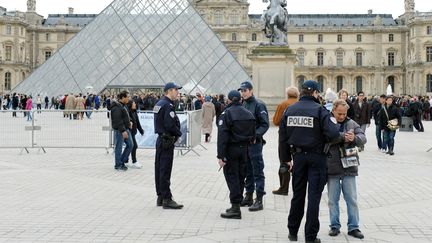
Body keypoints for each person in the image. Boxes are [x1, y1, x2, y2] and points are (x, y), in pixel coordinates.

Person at [279, 80, 341, 243]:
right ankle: (310, 236)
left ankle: (292, 231)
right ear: (314, 93)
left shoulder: (289, 110)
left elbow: (282, 137)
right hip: (317, 157)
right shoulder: (319, 110)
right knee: (314, 198)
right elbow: (334, 134)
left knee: (297, 195)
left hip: (297, 158)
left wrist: (285, 159)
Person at [327, 99, 366, 240]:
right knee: (332, 200)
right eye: (339, 114)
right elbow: (327, 138)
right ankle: (334, 226)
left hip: (349, 166)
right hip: (332, 166)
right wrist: (344, 137)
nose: (342, 116)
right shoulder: (328, 122)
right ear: (333, 111)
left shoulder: (352, 123)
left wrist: (355, 138)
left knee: (352, 199)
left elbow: (363, 138)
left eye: (344, 114)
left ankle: (353, 227)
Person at [217, 90, 256, 219]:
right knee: (240, 177)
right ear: (240, 100)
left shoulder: (226, 113)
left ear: (228, 100)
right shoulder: (249, 113)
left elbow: (222, 136)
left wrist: (221, 156)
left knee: (232, 177)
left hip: (231, 150)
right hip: (245, 149)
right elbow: (253, 134)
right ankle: (237, 203)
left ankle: (235, 207)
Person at [238, 81, 269, 212]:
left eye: (245, 90)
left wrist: (255, 135)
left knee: (257, 170)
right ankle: (249, 195)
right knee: (247, 171)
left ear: (251, 90)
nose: (243, 93)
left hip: (255, 143)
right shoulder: (243, 104)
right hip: (245, 143)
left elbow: (265, 124)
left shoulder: (259, 105)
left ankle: (259, 199)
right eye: (241, 91)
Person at [153, 82, 184, 209]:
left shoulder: (159, 104)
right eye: (176, 90)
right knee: (165, 169)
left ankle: (160, 196)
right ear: (169, 91)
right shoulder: (168, 105)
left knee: (159, 168)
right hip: (167, 140)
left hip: (161, 140)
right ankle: (167, 198)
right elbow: (170, 125)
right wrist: (179, 133)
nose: (178, 92)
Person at [271, 86, 299, 196]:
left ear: (287, 94)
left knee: (284, 161)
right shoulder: (300, 104)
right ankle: (297, 188)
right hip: (298, 137)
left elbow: (276, 121)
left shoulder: (283, 104)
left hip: (284, 136)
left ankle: (284, 188)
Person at [110, 91, 133, 171]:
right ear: (123, 98)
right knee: (119, 147)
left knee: (130, 145)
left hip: (125, 128)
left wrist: (129, 121)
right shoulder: (116, 107)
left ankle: (121, 161)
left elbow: (125, 116)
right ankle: (118, 165)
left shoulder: (123, 105)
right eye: (128, 97)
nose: (129, 99)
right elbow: (118, 120)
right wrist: (123, 131)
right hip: (121, 130)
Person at [127, 100, 144, 169]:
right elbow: (128, 120)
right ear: (130, 104)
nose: (135, 104)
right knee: (134, 146)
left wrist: (141, 130)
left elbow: (137, 122)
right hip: (129, 132)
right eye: (134, 103)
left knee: (130, 146)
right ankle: (134, 161)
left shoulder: (134, 112)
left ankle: (125, 160)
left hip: (133, 132)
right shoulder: (128, 112)